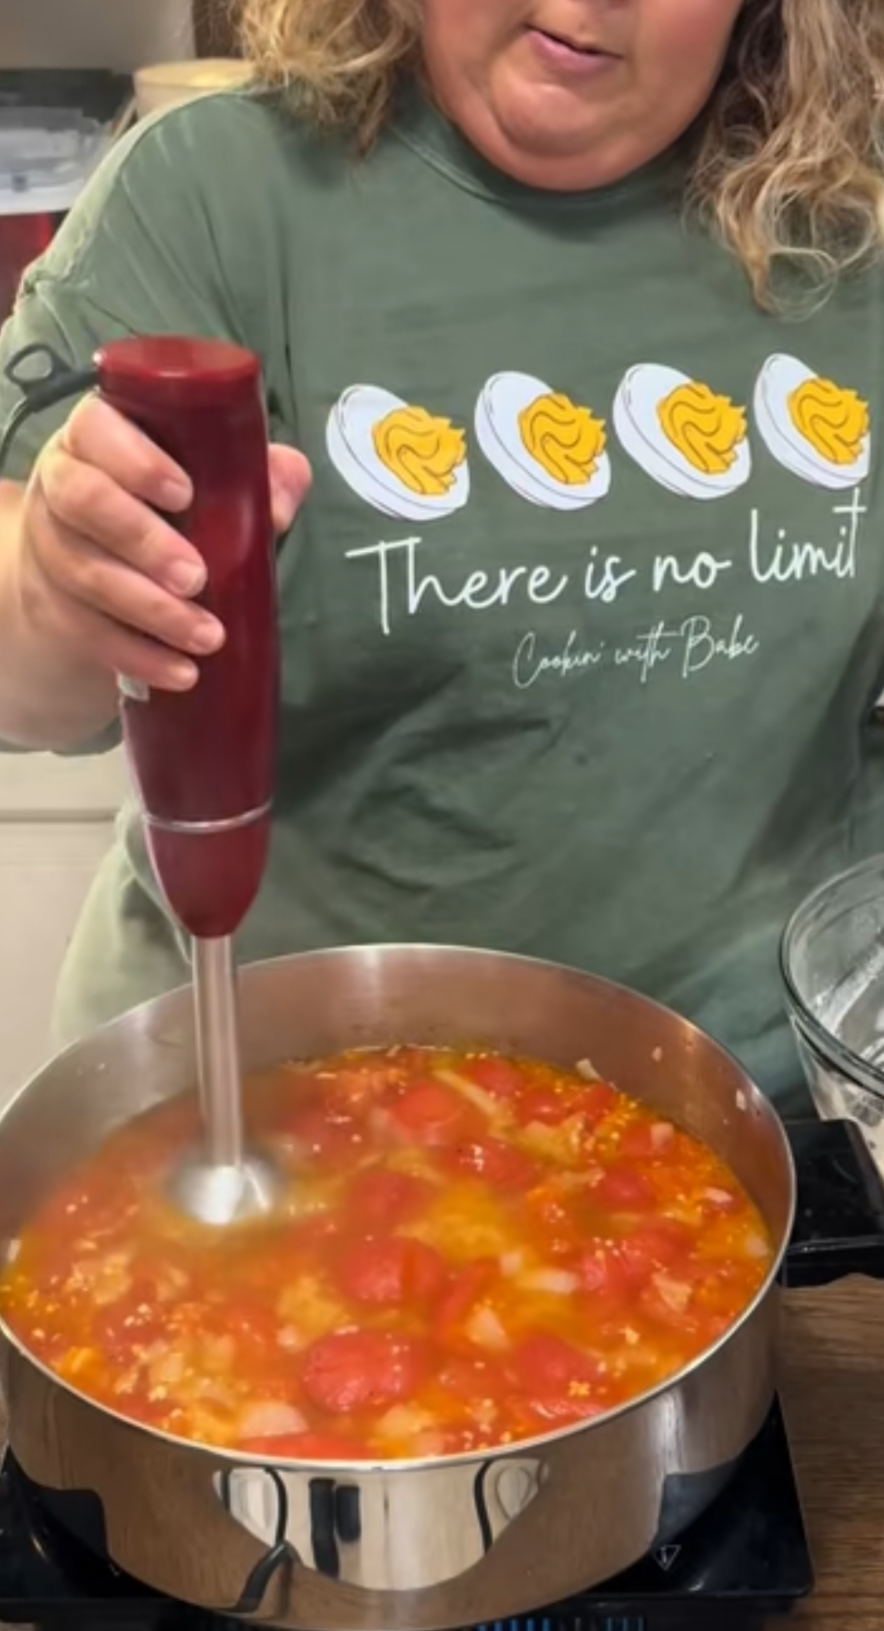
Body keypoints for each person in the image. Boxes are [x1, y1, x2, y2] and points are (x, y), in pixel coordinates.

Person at [0, 0, 881, 1108]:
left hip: (747, 1129)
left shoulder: (854, 223)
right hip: (263, 1114)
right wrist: (53, 582)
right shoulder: (217, 196)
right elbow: (29, 687)